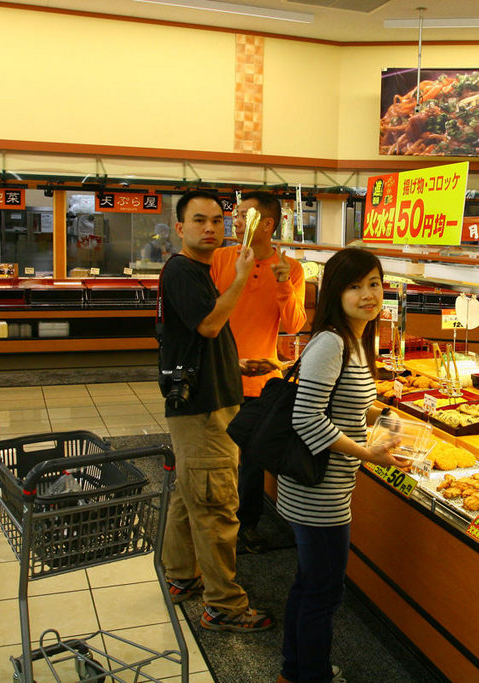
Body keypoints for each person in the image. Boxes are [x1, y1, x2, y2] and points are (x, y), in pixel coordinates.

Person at [277, 248, 407, 683]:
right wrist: (367, 454)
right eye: (355, 286)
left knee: (309, 584)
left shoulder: (355, 341)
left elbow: (348, 403)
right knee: (323, 594)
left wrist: (383, 416)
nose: (368, 294)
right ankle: (312, 676)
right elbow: (306, 417)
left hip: (325, 487)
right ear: (336, 292)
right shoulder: (331, 343)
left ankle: (294, 671)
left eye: (374, 283)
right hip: (318, 494)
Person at [158, 189, 274, 633]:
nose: (211, 228)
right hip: (204, 410)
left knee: (191, 494)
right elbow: (209, 324)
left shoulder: (195, 271)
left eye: (217, 221)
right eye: (199, 220)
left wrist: (234, 363)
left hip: (202, 401)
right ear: (179, 227)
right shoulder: (184, 270)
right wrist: (241, 278)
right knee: (216, 505)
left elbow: (196, 337)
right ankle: (223, 605)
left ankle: (181, 576)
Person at [212, 190, 307, 554]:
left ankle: (247, 526)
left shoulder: (290, 268)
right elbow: (207, 317)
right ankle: (214, 523)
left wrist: (282, 283)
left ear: (268, 224)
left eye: (244, 215)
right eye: (235, 215)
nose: (235, 222)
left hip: (261, 380)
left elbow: (295, 325)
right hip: (219, 376)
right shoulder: (221, 258)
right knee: (218, 456)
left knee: (252, 461)